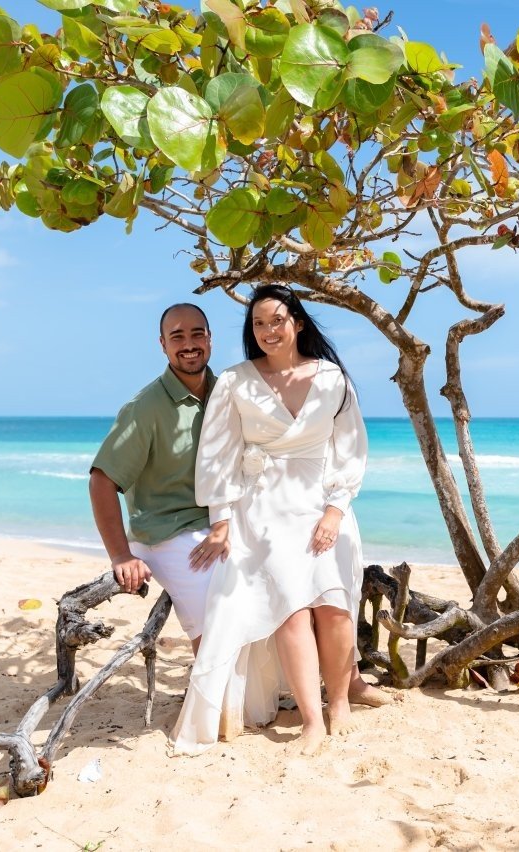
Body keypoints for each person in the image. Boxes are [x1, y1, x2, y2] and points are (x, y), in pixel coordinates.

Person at [171, 284, 387, 756]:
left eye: (277, 320)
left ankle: (339, 703)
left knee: (335, 606)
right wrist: (221, 520)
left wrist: (335, 510)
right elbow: (217, 454)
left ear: (298, 323)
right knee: (291, 609)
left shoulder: (331, 377)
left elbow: (350, 449)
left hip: (323, 504)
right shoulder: (235, 381)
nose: (267, 330)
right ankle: (311, 719)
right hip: (263, 509)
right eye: (258, 323)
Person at [89, 303, 215, 654]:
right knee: (217, 620)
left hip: (219, 526)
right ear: (163, 344)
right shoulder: (144, 407)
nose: (189, 344)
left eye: (197, 334)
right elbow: (101, 481)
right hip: (165, 532)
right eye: (177, 337)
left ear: (210, 338)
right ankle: (214, 690)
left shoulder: (225, 393)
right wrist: (120, 556)